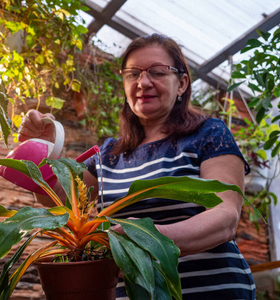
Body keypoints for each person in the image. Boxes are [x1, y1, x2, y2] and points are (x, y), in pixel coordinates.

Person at [18, 33, 255, 299]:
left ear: (182, 84)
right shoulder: (108, 153)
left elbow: (226, 217)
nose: (143, 82)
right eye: (132, 74)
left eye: (157, 72)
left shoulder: (208, 134)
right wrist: (45, 150)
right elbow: (58, 200)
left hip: (211, 291)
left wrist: (148, 238)